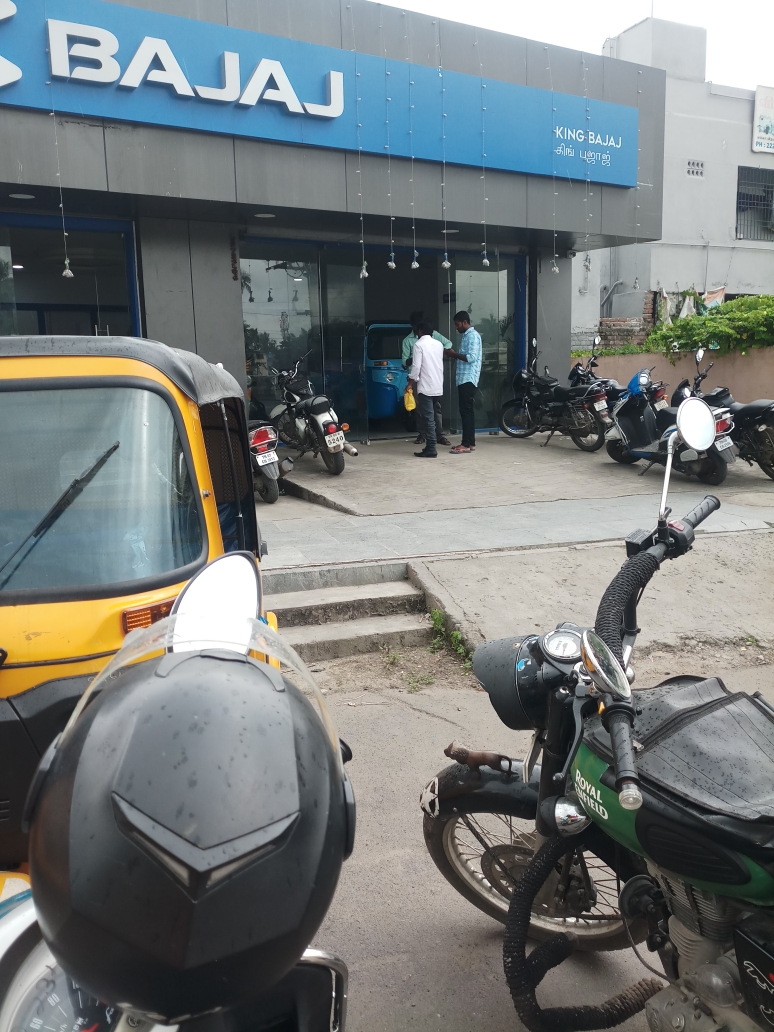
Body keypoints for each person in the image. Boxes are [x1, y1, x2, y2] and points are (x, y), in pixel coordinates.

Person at [403, 310, 452, 447]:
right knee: (421, 411)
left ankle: (437, 438)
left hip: (431, 378)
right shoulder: (409, 341)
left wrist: (430, 354)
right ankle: (423, 435)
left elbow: (448, 344)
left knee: (435, 410)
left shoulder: (434, 338)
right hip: (420, 380)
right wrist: (419, 356)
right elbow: (405, 362)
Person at [445, 311, 483, 454]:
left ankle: (465, 444)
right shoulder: (467, 336)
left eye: (457, 324)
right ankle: (470, 442)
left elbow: (471, 357)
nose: (456, 327)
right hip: (464, 379)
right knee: (467, 411)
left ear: (464, 322)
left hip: (468, 378)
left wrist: (453, 354)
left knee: (465, 411)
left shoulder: (472, 336)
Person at [406, 318, 444, 458]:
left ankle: (431, 448)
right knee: (432, 416)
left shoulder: (418, 345)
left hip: (426, 387)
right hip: (438, 385)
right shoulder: (439, 344)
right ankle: (430, 446)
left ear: (420, 331)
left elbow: (416, 367)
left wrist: (410, 383)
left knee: (428, 418)